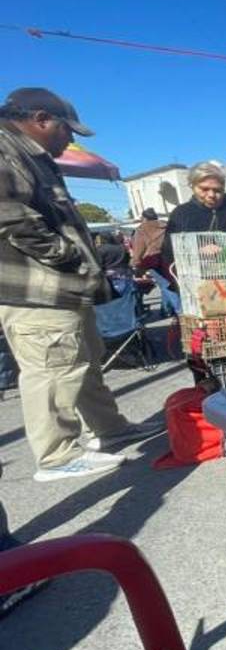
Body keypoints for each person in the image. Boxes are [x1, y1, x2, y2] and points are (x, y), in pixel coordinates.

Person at [0, 87, 161, 484]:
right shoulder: (6, 148)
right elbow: (9, 215)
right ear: (41, 119)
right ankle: (57, 455)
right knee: (52, 368)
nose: (70, 139)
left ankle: (110, 429)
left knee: (84, 360)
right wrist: (66, 254)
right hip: (37, 291)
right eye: (67, 130)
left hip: (64, 288)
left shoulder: (34, 156)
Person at [130, 207, 167, 274]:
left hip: (152, 261)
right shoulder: (166, 226)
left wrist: (135, 262)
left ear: (144, 218)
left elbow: (139, 248)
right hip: (168, 258)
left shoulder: (142, 229)